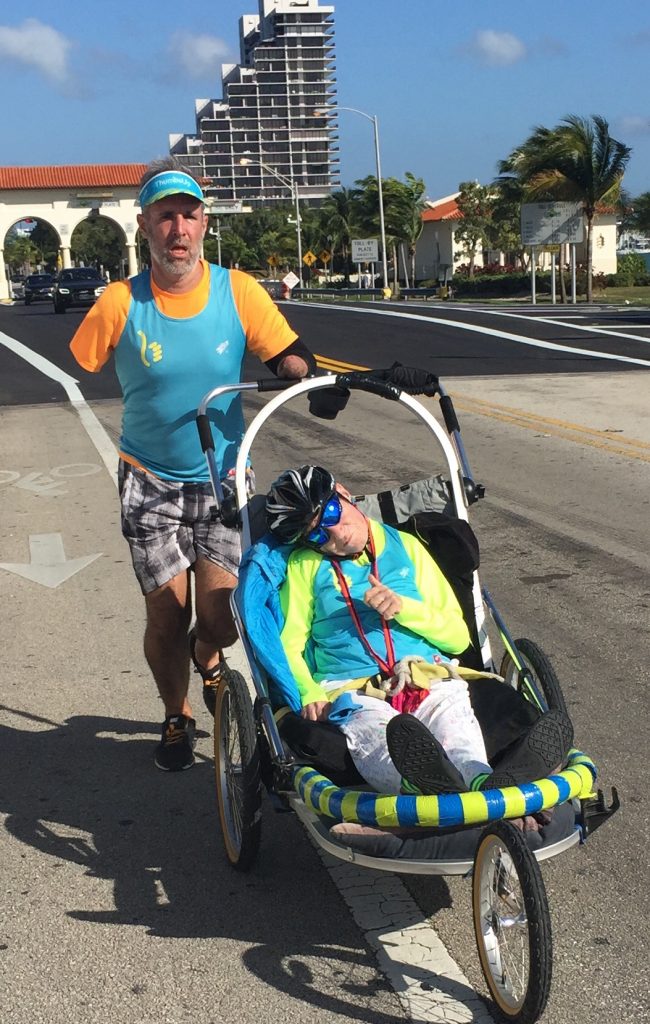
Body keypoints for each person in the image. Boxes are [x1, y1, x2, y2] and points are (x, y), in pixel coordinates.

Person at [70, 157, 315, 773]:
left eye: (188, 215)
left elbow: (286, 352)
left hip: (224, 478)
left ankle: (207, 655)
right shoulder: (120, 301)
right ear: (145, 226)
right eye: (165, 216)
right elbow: (85, 358)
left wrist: (304, 376)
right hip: (148, 477)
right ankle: (175, 712)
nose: (177, 229)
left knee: (221, 616)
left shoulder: (239, 291)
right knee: (166, 610)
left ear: (204, 224)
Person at [265, 466, 573, 795]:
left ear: (342, 493)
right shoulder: (304, 565)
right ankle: (424, 785)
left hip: (426, 674)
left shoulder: (407, 547)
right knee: (373, 734)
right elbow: (288, 644)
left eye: (331, 514)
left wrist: (404, 609)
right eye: (317, 536)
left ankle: (480, 779)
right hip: (352, 687)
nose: (337, 535)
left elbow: (457, 638)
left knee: (454, 723)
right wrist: (309, 692)